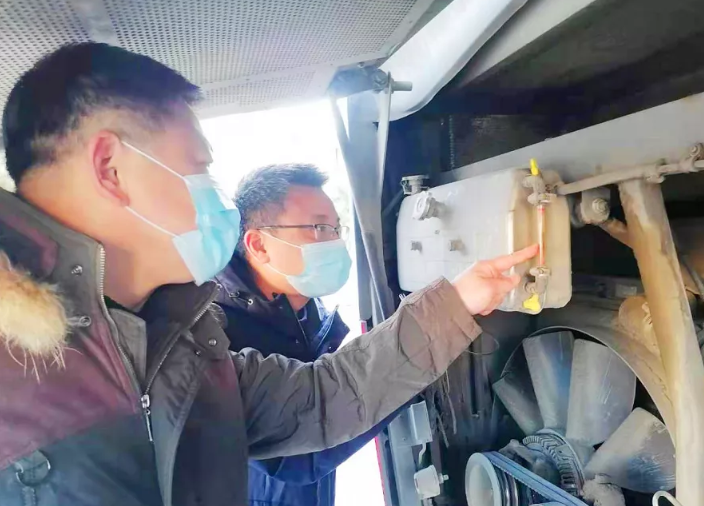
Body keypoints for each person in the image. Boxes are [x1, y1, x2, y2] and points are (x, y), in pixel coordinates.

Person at [0, 42, 537, 506]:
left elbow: (323, 397)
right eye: (197, 167)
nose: (217, 200)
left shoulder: (181, 342)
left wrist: (456, 301)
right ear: (110, 168)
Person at [216, 163, 403, 506]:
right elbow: (302, 454)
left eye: (336, 228)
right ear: (259, 245)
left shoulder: (309, 313)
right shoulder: (219, 334)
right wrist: (417, 355)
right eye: (318, 228)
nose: (335, 241)